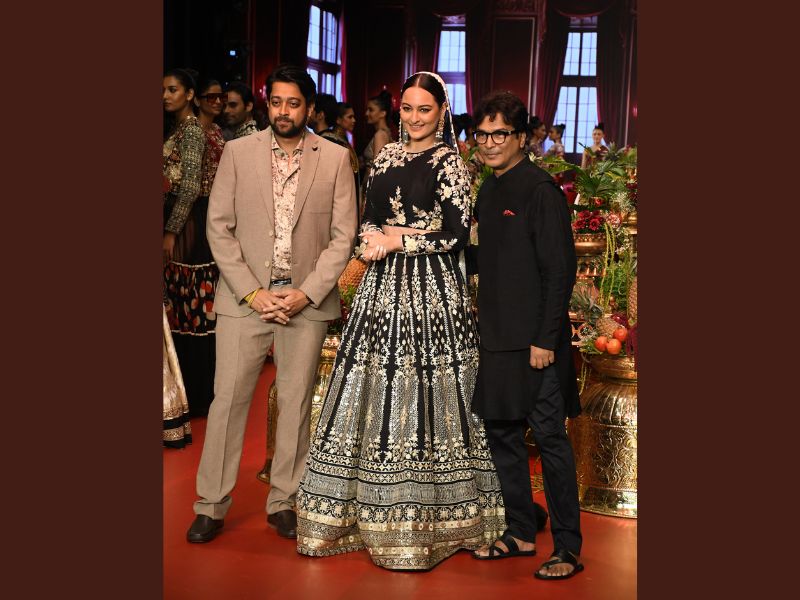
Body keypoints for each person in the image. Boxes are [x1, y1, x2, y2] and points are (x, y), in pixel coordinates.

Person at [296, 71, 505, 571]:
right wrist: (373, 238)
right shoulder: (386, 155)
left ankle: (437, 515)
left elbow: (456, 234)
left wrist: (399, 239)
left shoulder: (451, 163)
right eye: (407, 109)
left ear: (442, 112)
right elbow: (368, 215)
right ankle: (357, 510)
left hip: (432, 290)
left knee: (430, 385)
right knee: (373, 381)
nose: (414, 118)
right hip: (382, 287)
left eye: (424, 110)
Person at [185, 64, 357, 543]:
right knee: (227, 402)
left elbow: (343, 236)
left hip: (306, 301)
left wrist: (307, 292)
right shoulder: (238, 152)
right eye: (277, 102)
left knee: (296, 402)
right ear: (268, 104)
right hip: (245, 300)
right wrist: (253, 292)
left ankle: (284, 499)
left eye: (294, 103)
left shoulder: (335, 159)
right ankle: (211, 504)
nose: (284, 111)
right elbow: (219, 227)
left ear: (310, 108)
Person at [469, 90, 584, 580]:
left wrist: (544, 339)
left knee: (550, 440)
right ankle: (519, 532)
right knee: (502, 435)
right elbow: (486, 259)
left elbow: (560, 272)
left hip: (537, 345)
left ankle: (568, 548)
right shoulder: (488, 189)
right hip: (496, 337)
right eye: (482, 134)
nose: (490, 143)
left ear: (521, 138)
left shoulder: (540, 191)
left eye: (500, 134)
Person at [162, 68, 211, 417]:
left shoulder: (192, 131)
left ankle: (195, 393)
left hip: (187, 223)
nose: (165, 96)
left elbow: (191, 187)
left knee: (188, 307)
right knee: (179, 308)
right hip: (177, 219)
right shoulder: (177, 128)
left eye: (173, 89)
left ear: (190, 94)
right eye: (163, 90)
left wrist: (171, 231)